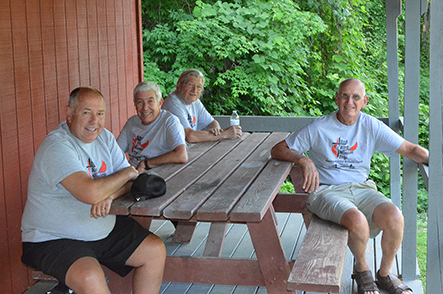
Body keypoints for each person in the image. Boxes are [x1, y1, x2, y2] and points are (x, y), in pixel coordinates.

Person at [271, 78, 428, 294]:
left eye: (355, 97)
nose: (349, 102)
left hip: (362, 188)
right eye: (344, 95)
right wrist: (304, 160)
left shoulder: (370, 125)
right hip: (326, 190)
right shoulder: (319, 127)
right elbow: (278, 149)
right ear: (337, 98)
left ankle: (384, 274)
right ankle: (363, 270)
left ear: (364, 101)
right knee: (357, 220)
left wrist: (434, 161)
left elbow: (410, 150)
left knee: (395, 217)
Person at [21, 87, 166, 294]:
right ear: (69, 114)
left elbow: (131, 182)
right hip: (53, 238)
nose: (94, 121)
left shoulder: (104, 138)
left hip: (100, 228)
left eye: (100, 114)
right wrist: (126, 173)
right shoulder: (57, 146)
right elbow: (92, 192)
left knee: (155, 251)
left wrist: (111, 194)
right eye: (86, 112)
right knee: (90, 277)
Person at [117, 81, 188, 172]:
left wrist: (146, 164)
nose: (145, 108)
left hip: (159, 177)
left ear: (160, 103)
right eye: (140, 102)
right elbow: (116, 153)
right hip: (132, 175)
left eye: (150, 101)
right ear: (135, 104)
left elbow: (181, 155)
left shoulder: (169, 122)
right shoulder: (132, 122)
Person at [162, 69, 242, 143]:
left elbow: (212, 123)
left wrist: (216, 130)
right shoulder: (173, 104)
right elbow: (189, 136)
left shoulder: (194, 101)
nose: (194, 90)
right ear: (179, 86)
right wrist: (224, 134)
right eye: (190, 85)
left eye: (199, 87)